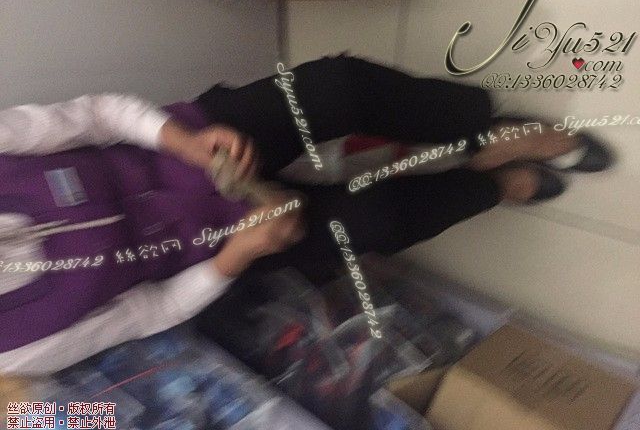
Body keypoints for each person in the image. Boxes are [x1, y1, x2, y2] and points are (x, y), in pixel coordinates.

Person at [0, 54, 610, 375]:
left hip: (191, 145)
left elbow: (97, 116)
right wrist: (240, 252)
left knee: (339, 87)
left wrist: (183, 141)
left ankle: (483, 130)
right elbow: (148, 313)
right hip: (218, 246)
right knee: (376, 225)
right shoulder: (12, 352)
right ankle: (489, 185)